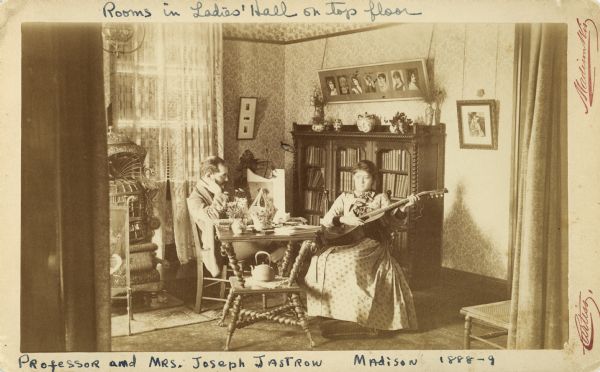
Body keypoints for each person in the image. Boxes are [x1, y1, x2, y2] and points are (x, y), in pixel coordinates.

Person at [304, 160, 419, 335]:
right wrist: (343, 219)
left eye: (366, 178)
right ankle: (330, 311)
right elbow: (327, 220)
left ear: (373, 181)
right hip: (345, 240)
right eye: (358, 177)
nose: (361, 181)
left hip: (371, 243)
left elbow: (392, 223)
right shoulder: (345, 197)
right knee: (320, 259)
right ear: (353, 179)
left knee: (352, 262)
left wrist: (403, 208)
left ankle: (357, 313)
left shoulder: (380, 199)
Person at [187, 156, 284, 277]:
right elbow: (212, 217)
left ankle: (269, 273)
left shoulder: (220, 191)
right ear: (208, 176)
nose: (227, 179)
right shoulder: (195, 198)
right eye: (223, 175)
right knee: (273, 243)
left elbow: (233, 217)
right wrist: (218, 194)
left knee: (276, 240)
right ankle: (272, 273)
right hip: (222, 249)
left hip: (234, 240)